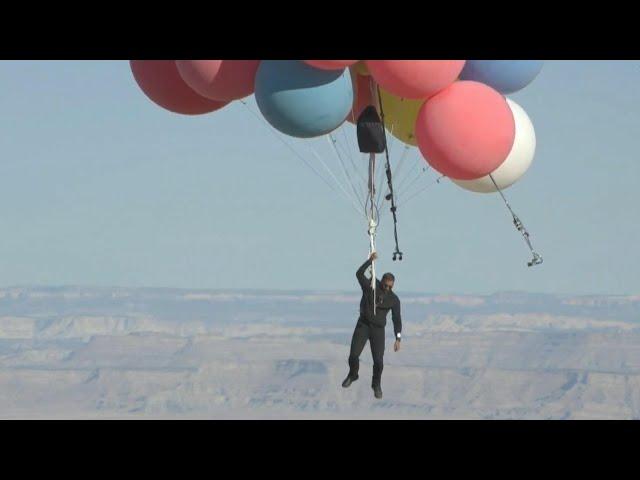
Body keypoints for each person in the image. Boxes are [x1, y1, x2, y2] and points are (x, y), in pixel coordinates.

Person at [342, 251, 402, 399]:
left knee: (378, 362)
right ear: (382, 282)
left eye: (390, 287)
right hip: (363, 325)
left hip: (378, 331)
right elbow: (358, 274)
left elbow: (396, 318)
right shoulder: (371, 285)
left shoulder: (393, 299)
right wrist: (370, 261)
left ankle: (376, 384)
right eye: (386, 285)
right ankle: (353, 374)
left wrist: (398, 337)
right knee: (353, 355)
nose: (387, 288)